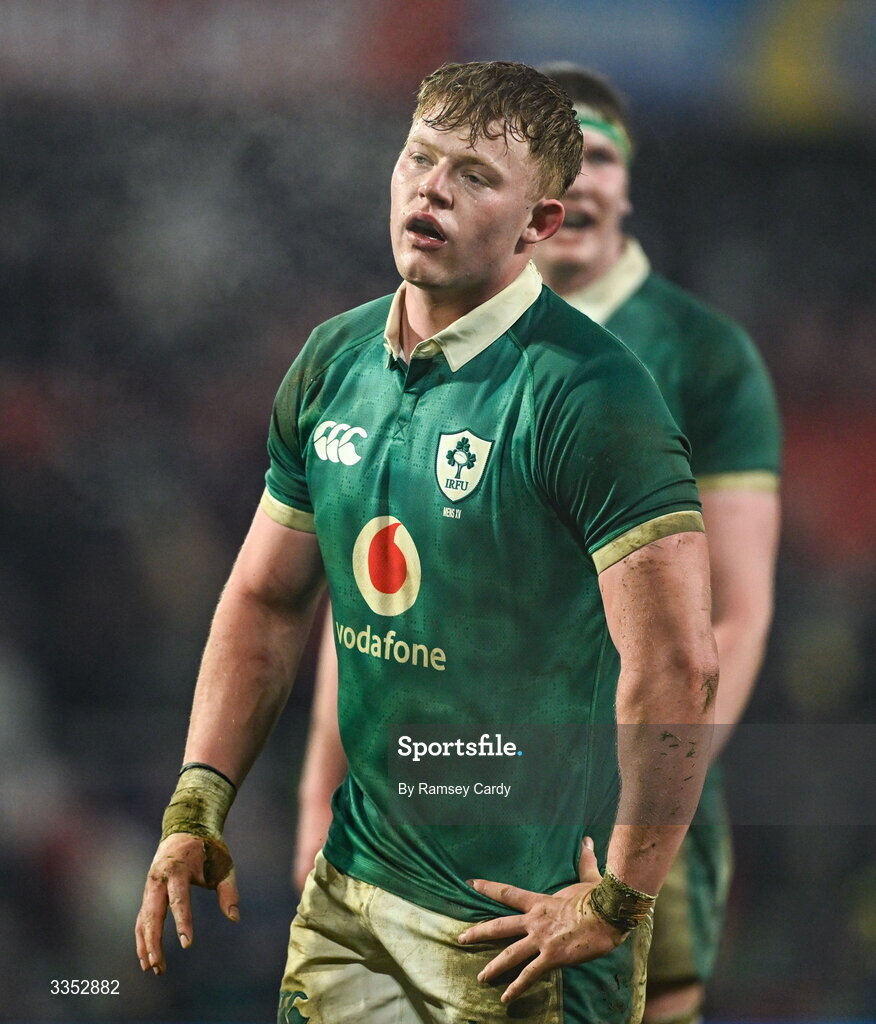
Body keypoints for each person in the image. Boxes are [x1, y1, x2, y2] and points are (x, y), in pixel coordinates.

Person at [136, 60, 719, 1024]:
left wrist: (621, 897)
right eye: (420, 158)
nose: (432, 189)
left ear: (540, 223)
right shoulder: (331, 361)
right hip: (349, 905)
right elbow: (269, 599)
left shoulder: (593, 396)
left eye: (475, 176)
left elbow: (678, 666)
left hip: (522, 935)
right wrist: (199, 798)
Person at [293, 64, 782, 1024]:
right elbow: (374, 596)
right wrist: (324, 790)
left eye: (604, 157)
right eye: (432, 161)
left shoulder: (689, 356)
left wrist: (636, 802)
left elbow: (727, 619)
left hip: (622, 805)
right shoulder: (399, 353)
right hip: (435, 814)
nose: (587, 179)